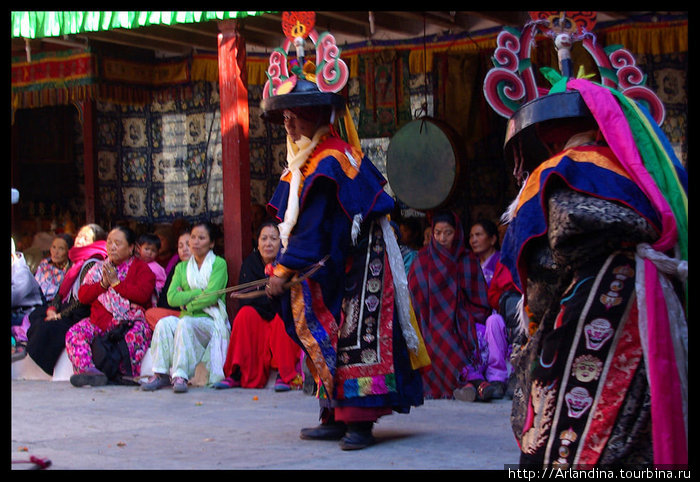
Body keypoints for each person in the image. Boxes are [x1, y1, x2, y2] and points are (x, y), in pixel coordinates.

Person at [260, 46, 426, 450]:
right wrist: (285, 267)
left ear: (316, 117)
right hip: (336, 256)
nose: (289, 126)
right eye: (285, 118)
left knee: (355, 335)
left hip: (361, 260)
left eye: (294, 117)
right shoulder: (307, 160)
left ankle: (359, 421)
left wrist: (283, 271)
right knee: (327, 330)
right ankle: (333, 413)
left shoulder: (331, 158)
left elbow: (313, 227)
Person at [408, 211, 493, 401]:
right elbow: (413, 300)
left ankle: (469, 384)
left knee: (453, 336)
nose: (442, 238)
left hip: (462, 319)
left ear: (457, 233)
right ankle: (472, 385)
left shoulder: (467, 259)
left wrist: (461, 315)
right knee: (437, 339)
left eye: (448, 233)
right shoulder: (422, 260)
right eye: (437, 233)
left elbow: (479, 300)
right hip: (428, 322)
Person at [140, 222, 229, 393]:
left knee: (185, 323)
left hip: (211, 321)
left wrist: (186, 303)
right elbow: (171, 298)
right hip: (187, 318)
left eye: (201, 238)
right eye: (193, 238)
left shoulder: (219, 264)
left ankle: (180, 375)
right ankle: (160, 374)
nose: (195, 242)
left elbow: (211, 296)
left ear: (211, 243)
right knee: (164, 324)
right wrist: (197, 292)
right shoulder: (181, 268)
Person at [215, 220, 303, 391]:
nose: (268, 243)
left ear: (282, 242)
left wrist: (272, 298)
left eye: (273, 239)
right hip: (259, 316)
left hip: (279, 315)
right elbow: (246, 299)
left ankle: (283, 374)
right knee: (244, 315)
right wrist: (270, 297)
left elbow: (293, 298)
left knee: (282, 317)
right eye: (264, 239)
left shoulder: (288, 264)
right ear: (258, 242)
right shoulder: (251, 263)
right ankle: (236, 374)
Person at [65, 225, 155, 387]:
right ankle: (89, 372)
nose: (112, 247)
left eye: (118, 243)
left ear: (130, 248)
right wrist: (102, 284)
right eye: (109, 243)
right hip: (99, 320)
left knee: (134, 336)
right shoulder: (99, 268)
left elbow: (142, 295)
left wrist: (116, 283)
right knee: (75, 333)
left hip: (129, 321)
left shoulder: (141, 269)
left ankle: (127, 374)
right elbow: (83, 296)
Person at [24, 224, 108, 376]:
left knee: (47, 327)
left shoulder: (92, 263)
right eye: (79, 236)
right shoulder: (76, 261)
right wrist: (52, 309)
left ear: (95, 242)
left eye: (85, 238)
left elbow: (83, 300)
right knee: (37, 314)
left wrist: (60, 315)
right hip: (68, 307)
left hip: (81, 312)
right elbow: (61, 291)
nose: (79, 240)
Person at [459, 219, 511, 400]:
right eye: (471, 236)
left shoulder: (501, 261)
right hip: (474, 318)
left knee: (492, 323)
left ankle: (495, 379)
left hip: (496, 319)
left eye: (478, 235)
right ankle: (474, 382)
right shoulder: (470, 264)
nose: (473, 240)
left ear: (493, 239)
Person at [144, 229, 192, 330]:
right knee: (150, 314)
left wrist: (181, 297)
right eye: (180, 246)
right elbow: (168, 298)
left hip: (196, 315)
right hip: (175, 313)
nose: (184, 249)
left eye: (188, 244)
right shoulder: (177, 268)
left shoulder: (210, 266)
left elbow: (205, 297)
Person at [33, 233, 73, 303]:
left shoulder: (71, 272)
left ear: (68, 251)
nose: (56, 252)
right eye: (54, 247)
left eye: (61, 248)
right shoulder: (43, 266)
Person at [136, 232, 167, 305]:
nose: (149, 253)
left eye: (153, 251)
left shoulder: (157, 268)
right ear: (138, 248)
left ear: (157, 253)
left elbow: (163, 284)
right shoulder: (135, 263)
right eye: (146, 249)